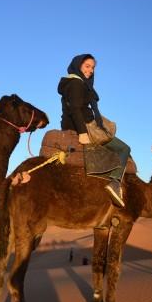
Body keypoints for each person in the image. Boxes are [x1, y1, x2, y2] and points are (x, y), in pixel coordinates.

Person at [57, 54, 130, 207]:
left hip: (78, 124)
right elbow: (76, 109)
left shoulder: (74, 83)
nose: (91, 70)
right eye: (87, 66)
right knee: (124, 148)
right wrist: (83, 133)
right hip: (84, 127)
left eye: (93, 67)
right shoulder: (76, 83)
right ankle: (115, 183)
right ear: (78, 65)